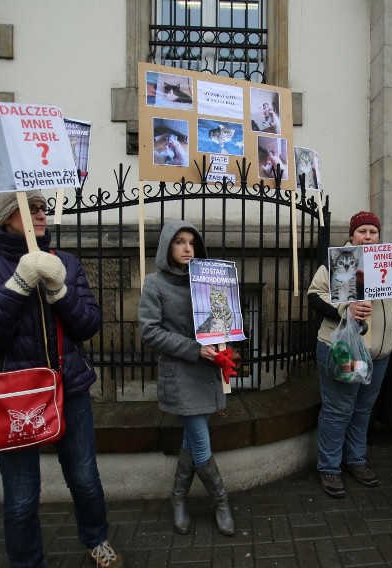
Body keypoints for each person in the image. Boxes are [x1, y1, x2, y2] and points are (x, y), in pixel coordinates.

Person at [0, 191, 120, 568]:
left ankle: (96, 538)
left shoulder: (65, 262)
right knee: (21, 496)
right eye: (30, 208)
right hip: (14, 397)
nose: (41, 214)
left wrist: (60, 291)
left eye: (43, 207)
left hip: (69, 388)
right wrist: (18, 285)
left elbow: (89, 325)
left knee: (84, 479)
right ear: (5, 215)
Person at [137, 220, 238, 536]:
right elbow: (150, 331)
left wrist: (228, 334)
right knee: (199, 439)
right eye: (179, 242)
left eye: (191, 242)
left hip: (209, 373)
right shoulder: (154, 284)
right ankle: (221, 501)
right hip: (182, 373)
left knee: (191, 440)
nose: (187, 248)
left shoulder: (208, 279)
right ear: (167, 246)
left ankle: (178, 497)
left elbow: (223, 318)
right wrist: (196, 350)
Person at [308, 211, 392, 498]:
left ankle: (356, 460)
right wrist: (344, 309)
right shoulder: (339, 262)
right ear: (352, 235)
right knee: (338, 411)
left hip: (380, 353)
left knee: (363, 410)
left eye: (372, 231)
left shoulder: (385, 262)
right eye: (362, 231)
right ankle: (329, 467)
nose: (367, 236)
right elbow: (315, 295)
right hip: (343, 350)